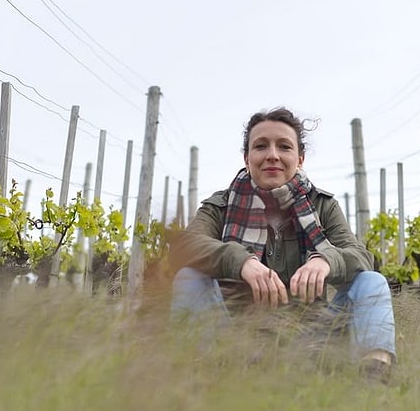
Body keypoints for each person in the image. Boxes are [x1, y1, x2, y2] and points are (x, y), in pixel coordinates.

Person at [169, 107, 396, 377]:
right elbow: (185, 246)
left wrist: (326, 260)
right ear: (247, 157)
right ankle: (196, 377)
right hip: (234, 338)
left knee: (371, 281)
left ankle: (374, 381)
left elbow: (360, 255)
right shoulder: (221, 205)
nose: (272, 155)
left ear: (300, 158)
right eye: (261, 146)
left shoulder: (322, 205)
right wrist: (241, 261)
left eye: (284, 147)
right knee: (189, 276)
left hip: (313, 340)